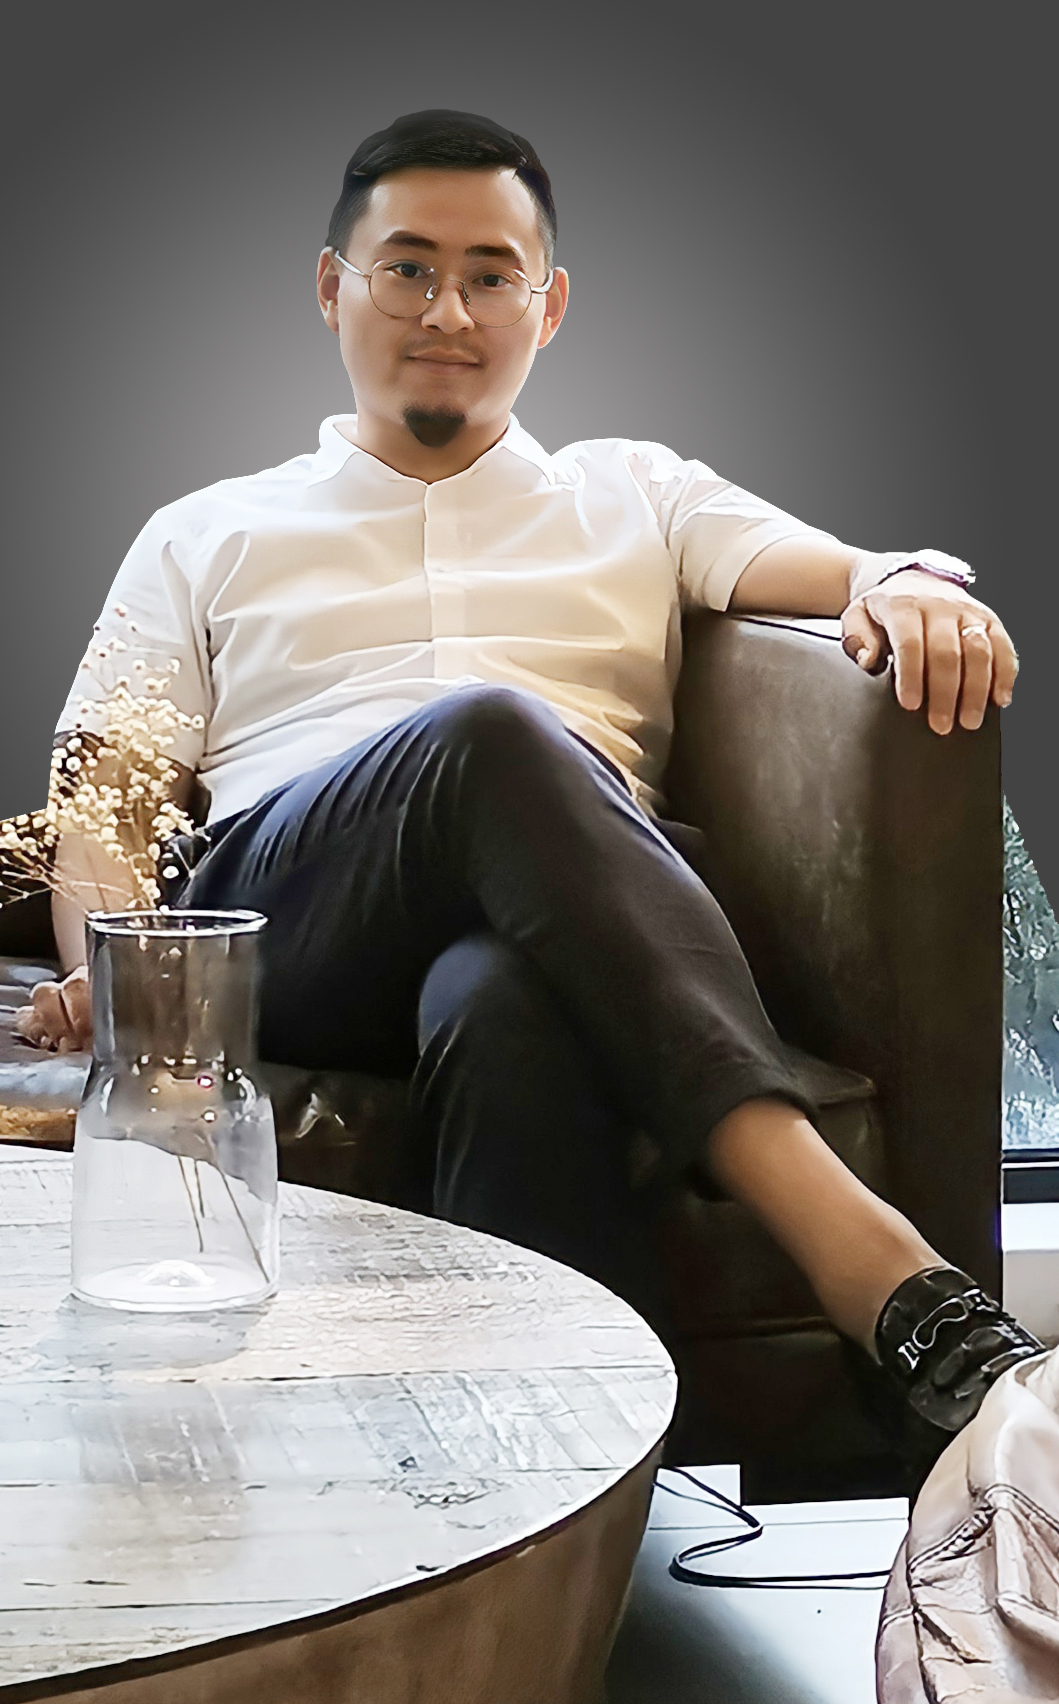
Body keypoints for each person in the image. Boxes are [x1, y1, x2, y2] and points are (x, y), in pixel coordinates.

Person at [18, 109, 1041, 1465]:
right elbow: (108, 792)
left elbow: (837, 567)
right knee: (489, 734)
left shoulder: (639, 492)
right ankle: (872, 1262)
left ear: (547, 306)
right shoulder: (205, 530)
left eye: (490, 275)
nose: (448, 309)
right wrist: (117, 974)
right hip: (297, 923)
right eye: (407, 268)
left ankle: (549, 1499)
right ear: (332, 287)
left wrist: (906, 581)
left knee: (505, 999)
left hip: (571, 921)